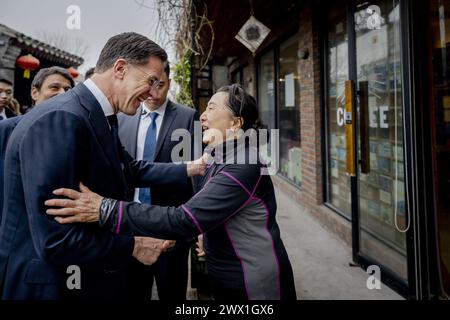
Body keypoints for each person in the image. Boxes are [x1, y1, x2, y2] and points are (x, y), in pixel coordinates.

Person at [0, 32, 205, 300]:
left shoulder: (99, 114)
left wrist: (190, 167)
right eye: (151, 81)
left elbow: (129, 169)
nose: (154, 92)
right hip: (51, 286)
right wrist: (134, 245)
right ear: (120, 68)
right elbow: (56, 240)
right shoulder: (62, 119)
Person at [46, 84, 297, 300]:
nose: (203, 116)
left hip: (253, 276)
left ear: (235, 123)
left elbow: (185, 218)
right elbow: (203, 204)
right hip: (223, 268)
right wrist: (203, 229)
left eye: (211, 108)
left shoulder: (245, 163)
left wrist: (105, 209)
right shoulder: (212, 155)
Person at [118, 62, 198, 300]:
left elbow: (194, 177)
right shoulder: (124, 117)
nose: (152, 93)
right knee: (133, 291)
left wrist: (185, 228)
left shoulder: (186, 117)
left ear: (169, 84)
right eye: (148, 85)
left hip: (170, 227)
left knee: (172, 292)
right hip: (131, 226)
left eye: (160, 85)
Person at [0, 66, 75, 225]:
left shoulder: (74, 134)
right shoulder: (6, 129)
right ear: (35, 93)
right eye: (54, 87)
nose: (62, 93)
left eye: (68, 89)